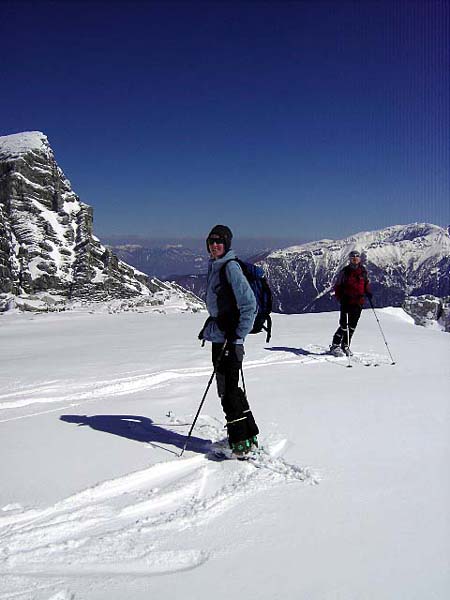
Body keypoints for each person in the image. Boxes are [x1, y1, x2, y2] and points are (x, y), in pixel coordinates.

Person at [198, 224, 260, 456]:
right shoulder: (217, 265)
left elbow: (249, 304)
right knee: (231, 388)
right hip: (222, 336)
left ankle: (239, 443)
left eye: (219, 242)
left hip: (228, 340)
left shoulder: (230, 268)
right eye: (211, 242)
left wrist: (237, 336)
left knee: (227, 391)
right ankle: (248, 433)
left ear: (226, 244)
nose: (215, 245)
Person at [330, 250, 372, 356]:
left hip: (358, 302)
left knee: (352, 325)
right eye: (353, 257)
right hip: (346, 301)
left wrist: (368, 292)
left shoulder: (363, 271)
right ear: (349, 259)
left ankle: (345, 345)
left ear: (359, 259)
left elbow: (366, 283)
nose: (355, 259)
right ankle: (335, 345)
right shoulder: (345, 272)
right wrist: (340, 297)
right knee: (344, 325)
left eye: (357, 257)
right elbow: (338, 286)